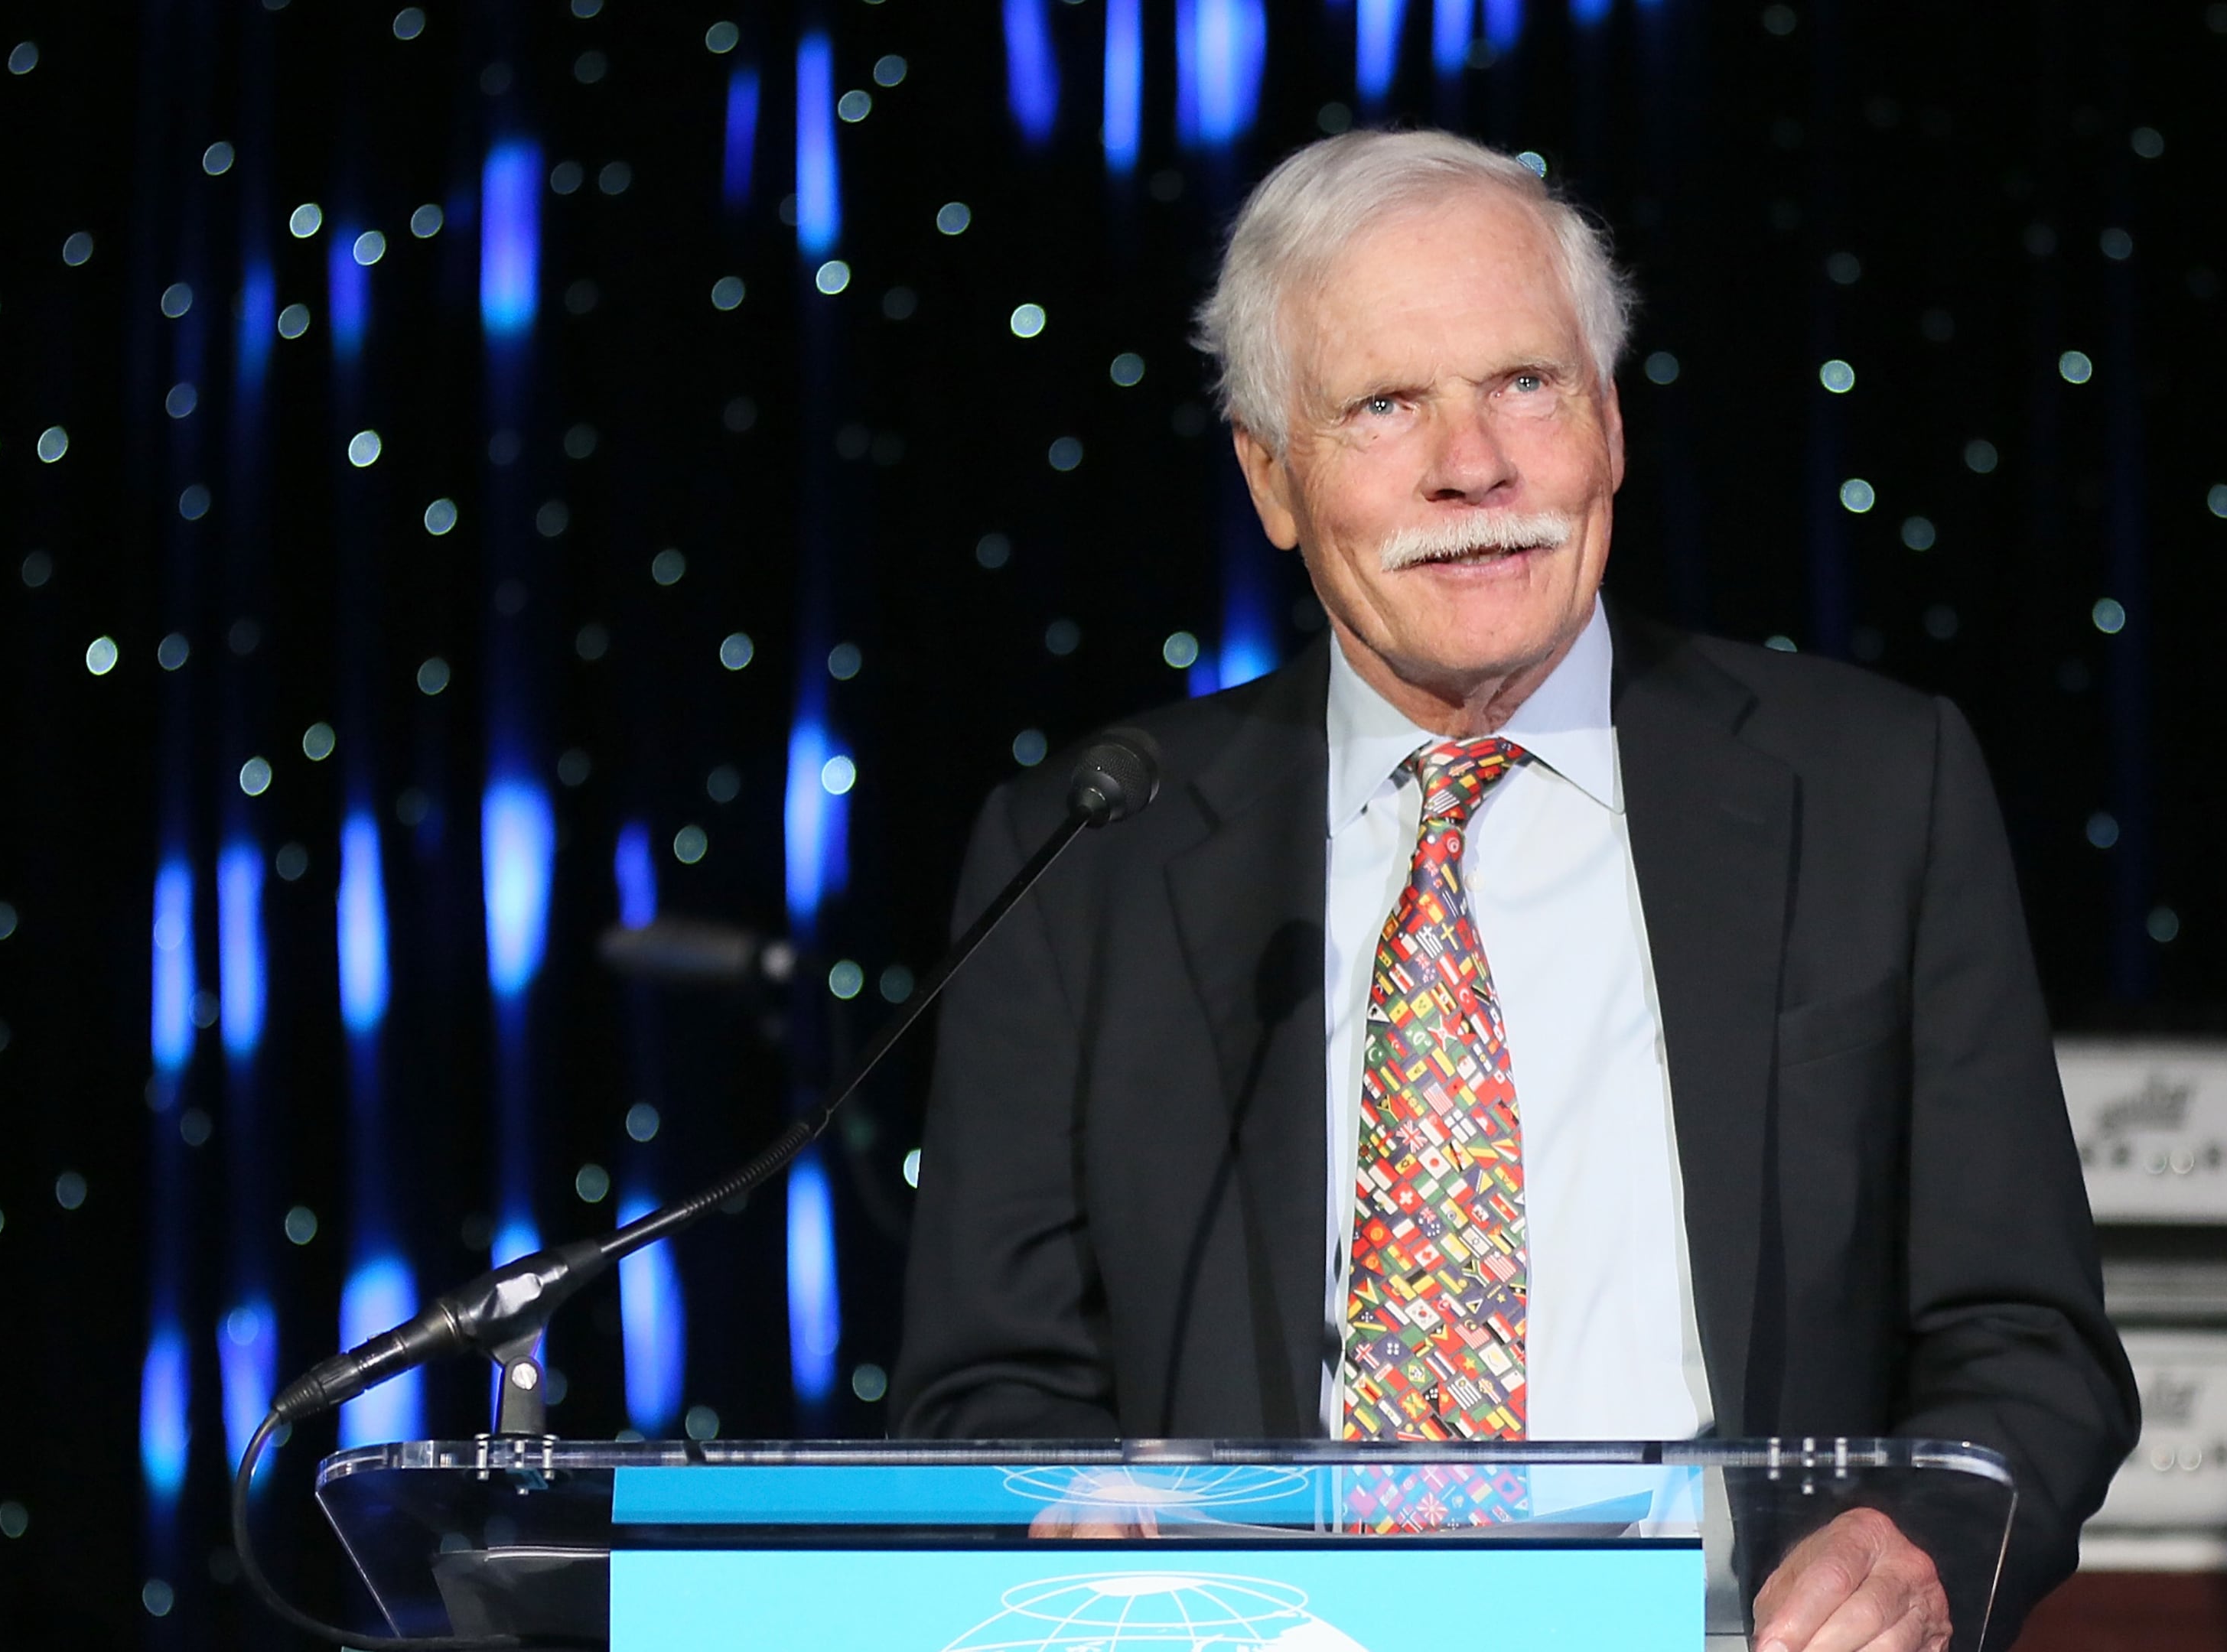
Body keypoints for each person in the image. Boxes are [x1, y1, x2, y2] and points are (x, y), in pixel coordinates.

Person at [893, 128, 2137, 1650]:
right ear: (1271, 479)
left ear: (1609, 423)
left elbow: (2029, 1344)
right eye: (1385, 405)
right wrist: (1081, 1508)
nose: (1472, 466)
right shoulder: (1091, 849)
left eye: (1526, 385)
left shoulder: (1876, 790)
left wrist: (1920, 1545)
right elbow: (985, 1386)